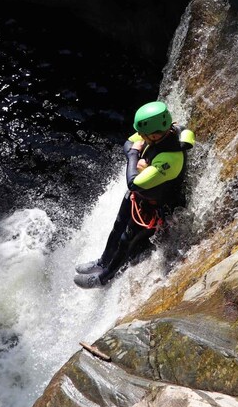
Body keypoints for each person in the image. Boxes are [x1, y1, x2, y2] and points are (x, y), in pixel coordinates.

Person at [74, 101, 195, 289]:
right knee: (117, 226)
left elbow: (133, 181)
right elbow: (129, 142)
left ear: (155, 134)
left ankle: (103, 278)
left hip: (152, 206)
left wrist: (133, 156)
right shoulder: (161, 131)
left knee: (126, 240)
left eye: (145, 136)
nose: (141, 138)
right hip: (138, 196)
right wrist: (136, 157)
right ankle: (102, 262)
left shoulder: (170, 158)